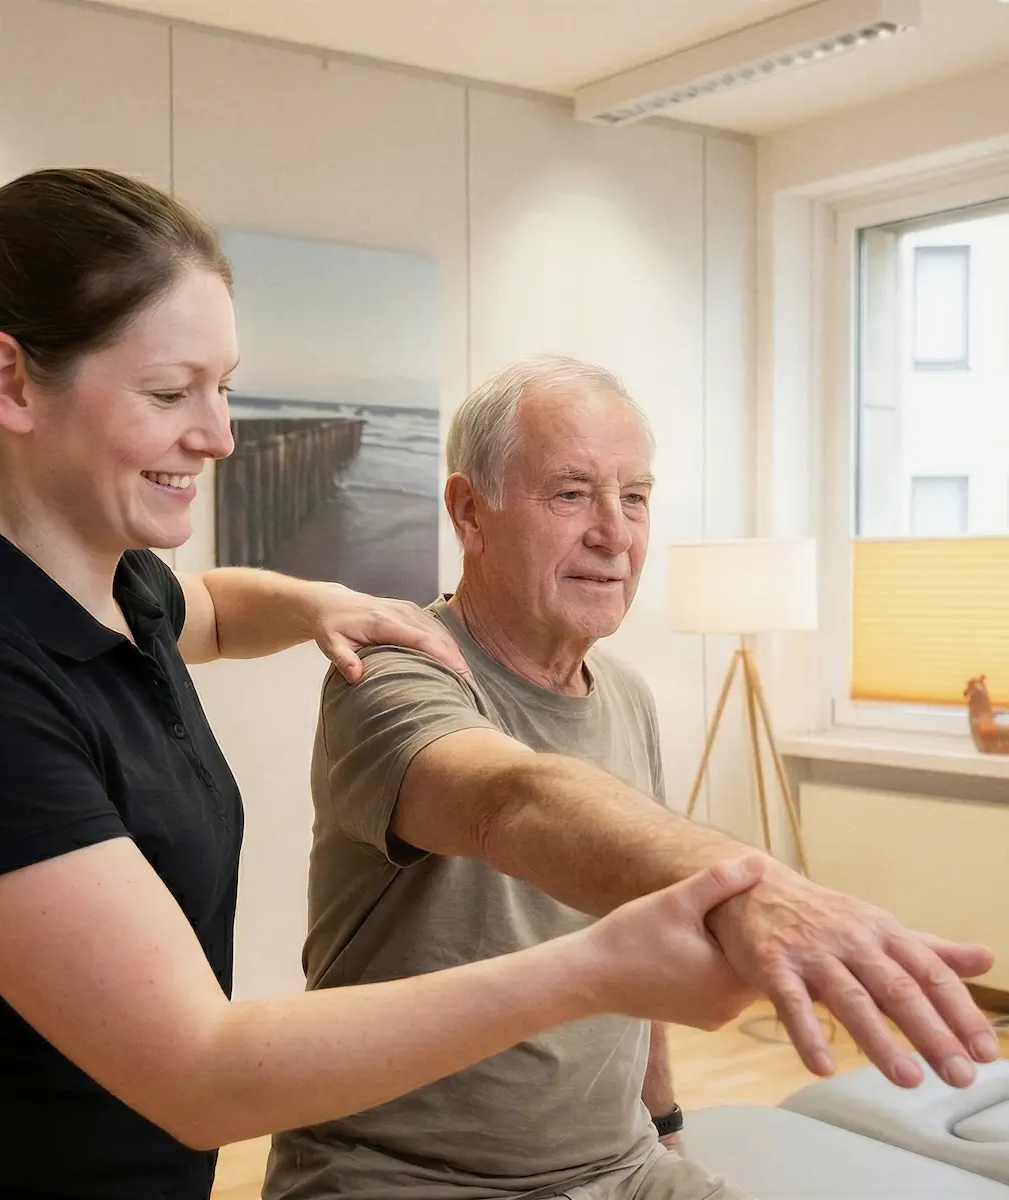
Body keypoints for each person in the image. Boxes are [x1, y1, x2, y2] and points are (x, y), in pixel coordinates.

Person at [0, 170, 774, 1200]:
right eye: (171, 390)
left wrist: (316, 600)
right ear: (8, 384)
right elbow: (202, 1072)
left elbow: (216, 608)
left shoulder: (114, 589)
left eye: (225, 386)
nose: (222, 435)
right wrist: (595, 969)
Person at [263, 355, 1001, 1200]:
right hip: (401, 1176)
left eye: (636, 497)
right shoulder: (391, 670)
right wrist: (755, 888)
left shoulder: (627, 697)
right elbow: (514, 799)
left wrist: (666, 1124)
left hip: (621, 1168)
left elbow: (642, 912)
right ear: (471, 512)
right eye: (571, 495)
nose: (614, 533)